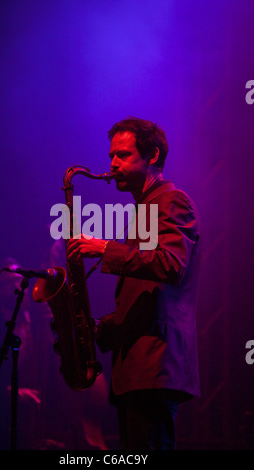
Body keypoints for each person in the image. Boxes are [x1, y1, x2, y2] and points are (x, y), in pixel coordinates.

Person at [66, 117, 201, 450]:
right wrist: (98, 328)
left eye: (123, 155)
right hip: (138, 369)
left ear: (152, 156)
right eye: (112, 155)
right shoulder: (143, 210)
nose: (112, 164)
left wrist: (105, 248)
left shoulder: (172, 201)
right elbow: (145, 296)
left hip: (155, 365)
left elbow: (171, 265)